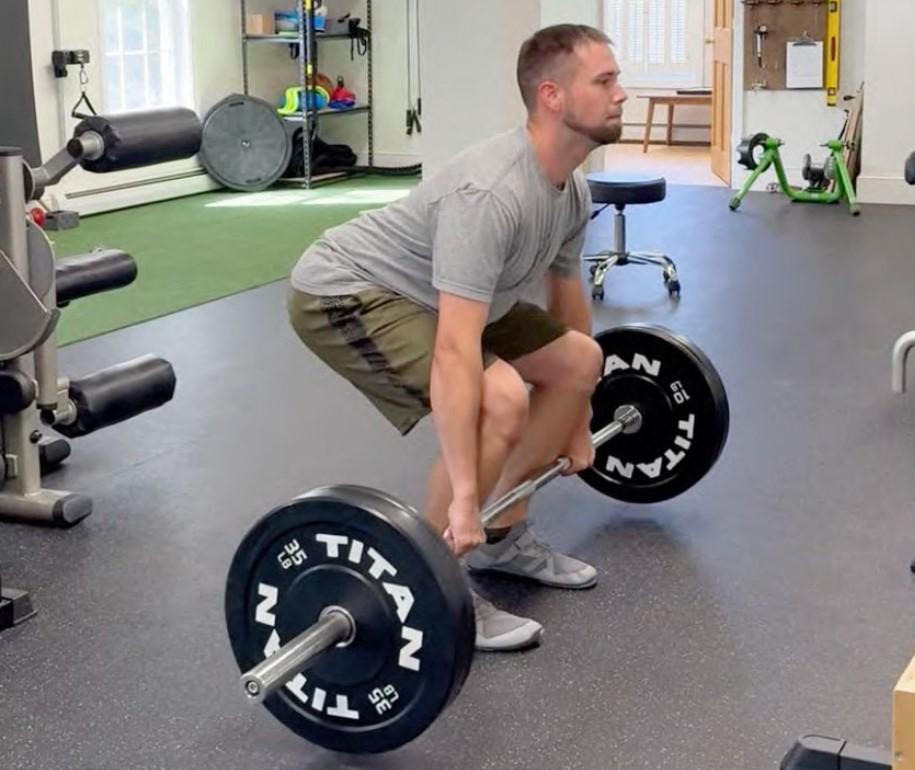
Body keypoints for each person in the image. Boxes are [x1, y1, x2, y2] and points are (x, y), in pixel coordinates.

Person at [287, 23, 628, 651]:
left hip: (451, 292)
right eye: (604, 81)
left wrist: (579, 419)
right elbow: (455, 350)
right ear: (552, 96)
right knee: (501, 397)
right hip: (348, 291)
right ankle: (430, 577)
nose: (621, 94)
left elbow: (567, 301)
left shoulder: (570, 190)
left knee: (581, 361)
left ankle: (503, 536)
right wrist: (465, 498)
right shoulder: (490, 195)